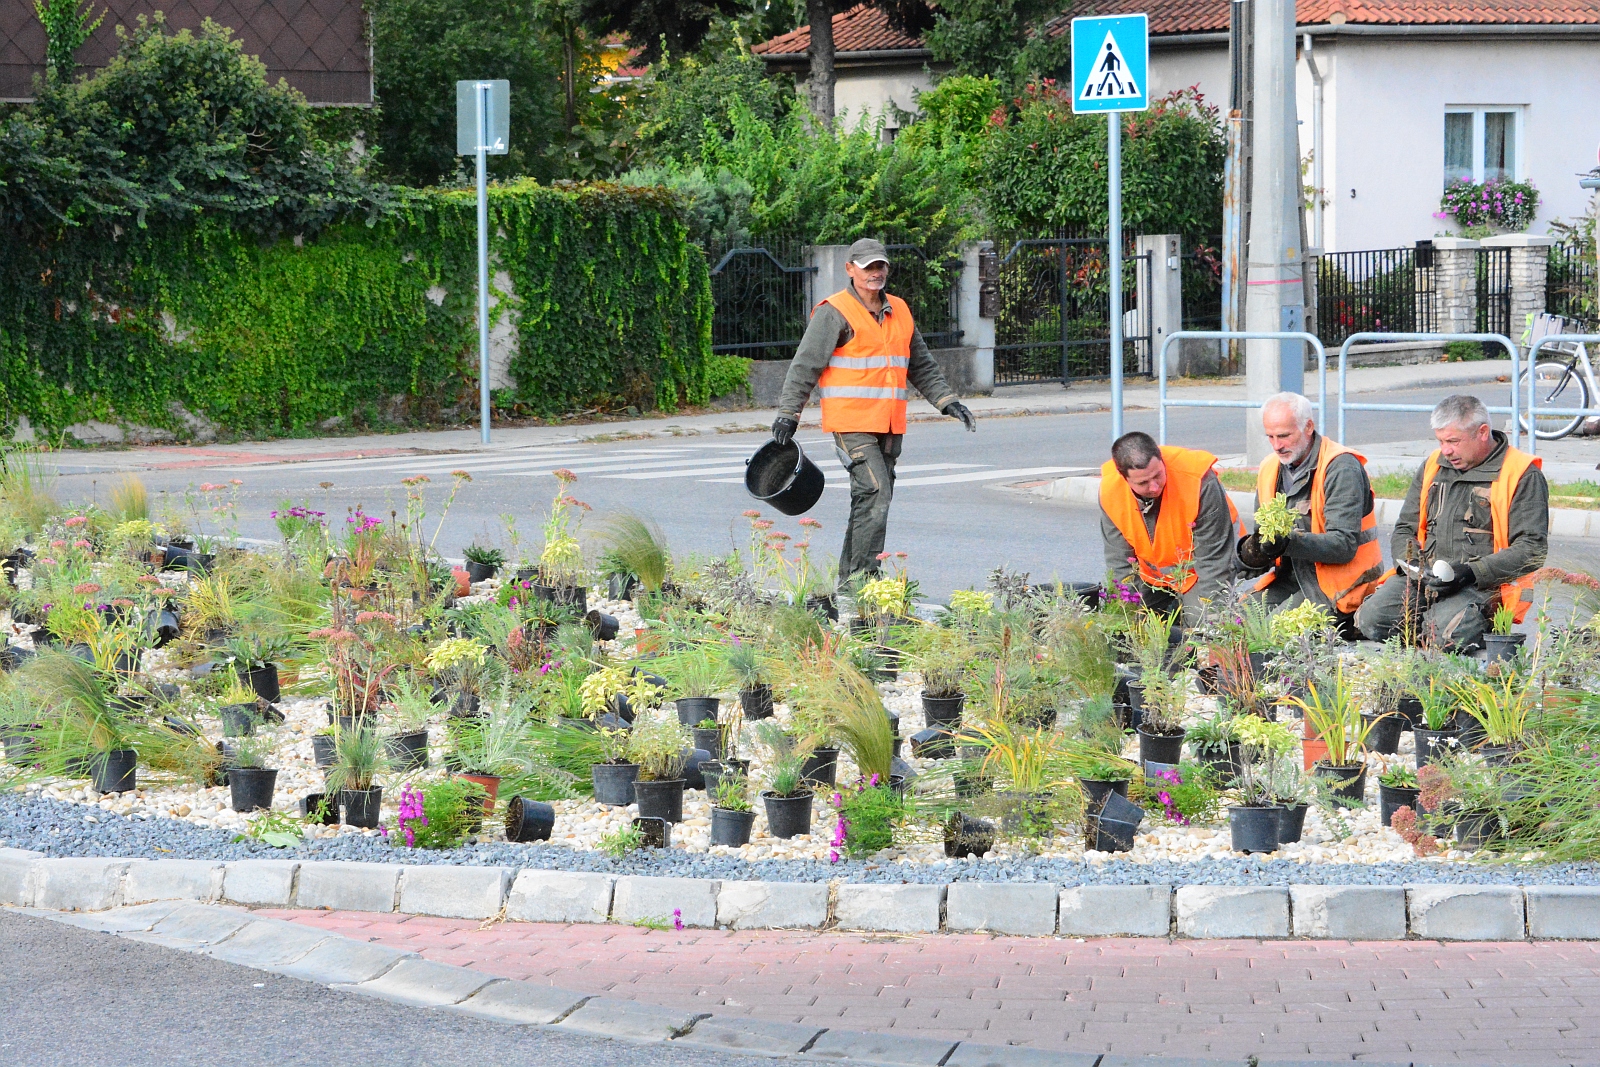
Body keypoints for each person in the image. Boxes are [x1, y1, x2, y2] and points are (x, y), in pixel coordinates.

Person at [772, 238, 976, 585]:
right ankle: (864, 581)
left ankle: (849, 583)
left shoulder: (899, 309)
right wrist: (788, 413)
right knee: (877, 492)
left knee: (871, 501)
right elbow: (804, 366)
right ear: (850, 269)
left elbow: (921, 364)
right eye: (867, 267)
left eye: (880, 266)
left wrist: (947, 401)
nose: (875, 273)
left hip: (889, 424)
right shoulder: (833, 311)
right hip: (851, 423)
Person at [1355, 394, 1549, 651]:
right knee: (1371, 621)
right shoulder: (1434, 466)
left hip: (1480, 585)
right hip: (1424, 580)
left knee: (1447, 634)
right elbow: (1404, 528)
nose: (1445, 450)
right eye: (1441, 441)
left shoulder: (1521, 474)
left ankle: (1448, 633)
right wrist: (1412, 564)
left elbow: (1532, 549)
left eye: (1453, 441)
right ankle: (1428, 636)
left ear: (1482, 432)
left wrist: (1470, 573)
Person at [1236, 392, 1384, 630]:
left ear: (1308, 427)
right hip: (1292, 578)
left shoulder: (1341, 467)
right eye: (1270, 437)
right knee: (1235, 623)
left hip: (1339, 585)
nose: (1277, 446)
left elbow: (1343, 546)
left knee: (1270, 631)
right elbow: (1263, 540)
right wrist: (1250, 553)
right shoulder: (1269, 468)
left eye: (1284, 436)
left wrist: (1286, 543)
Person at [1100, 431, 1242, 623]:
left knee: (1202, 624)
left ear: (1161, 459)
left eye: (1158, 475)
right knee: (1129, 625)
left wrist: (1214, 617)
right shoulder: (1111, 491)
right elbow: (1120, 563)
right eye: (1143, 482)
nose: (1154, 487)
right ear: (1124, 478)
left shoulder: (1198, 481)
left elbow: (1214, 562)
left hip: (1199, 568)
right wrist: (1125, 616)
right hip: (1153, 574)